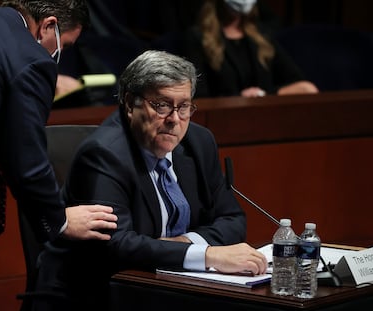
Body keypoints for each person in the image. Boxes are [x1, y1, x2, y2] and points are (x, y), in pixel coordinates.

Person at [31, 50, 268, 310]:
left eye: (184, 107)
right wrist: (207, 254)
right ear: (131, 103)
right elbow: (115, 245)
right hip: (95, 296)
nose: (175, 120)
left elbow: (233, 219)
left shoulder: (198, 143)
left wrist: (182, 245)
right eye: (162, 105)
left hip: (166, 288)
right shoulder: (104, 154)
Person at [0, 1, 118, 310]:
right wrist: (58, 220)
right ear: (48, 26)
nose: (58, 55)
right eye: (64, 45)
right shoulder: (30, 57)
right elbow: (25, 158)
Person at [182, 0, 319, 98]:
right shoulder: (198, 38)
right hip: (224, 118)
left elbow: (298, 82)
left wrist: (263, 95)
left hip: (266, 115)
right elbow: (197, 95)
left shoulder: (261, 36)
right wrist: (239, 98)